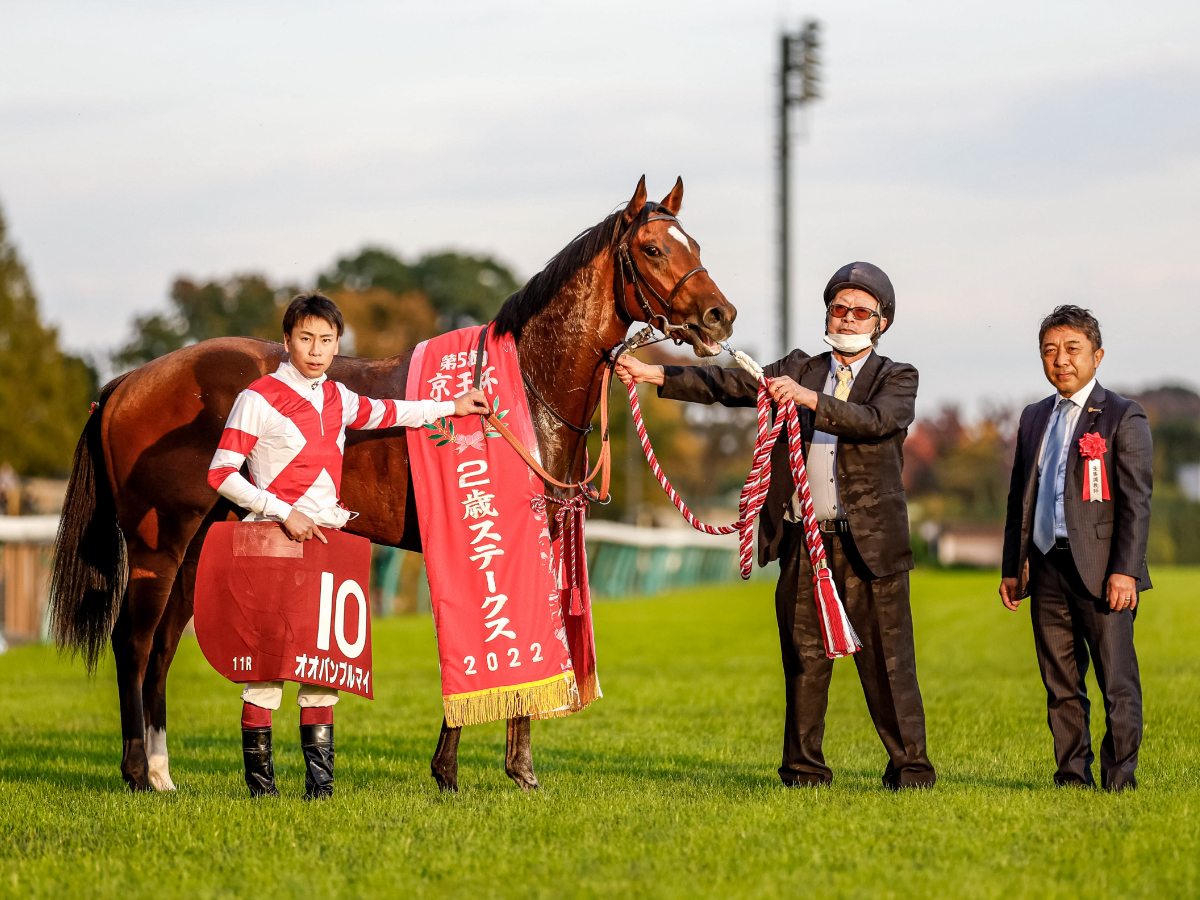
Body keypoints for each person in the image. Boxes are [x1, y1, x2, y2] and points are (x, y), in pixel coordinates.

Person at [617, 261, 935, 789]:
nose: (849, 318)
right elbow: (732, 383)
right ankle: (803, 770)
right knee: (804, 660)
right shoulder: (798, 366)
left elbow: (876, 423)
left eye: (862, 312)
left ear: (881, 322)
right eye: (840, 308)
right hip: (803, 545)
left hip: (870, 549)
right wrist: (660, 375)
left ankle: (910, 770)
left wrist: (810, 399)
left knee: (888, 665)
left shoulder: (897, 378)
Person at [207, 292, 489, 799]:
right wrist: (279, 510)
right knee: (268, 675)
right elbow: (221, 472)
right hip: (271, 542)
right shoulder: (257, 397)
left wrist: (453, 405)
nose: (316, 349)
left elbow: (392, 411)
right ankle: (261, 793)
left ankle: (321, 791)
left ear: (337, 345)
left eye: (326, 340)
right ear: (288, 340)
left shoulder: (338, 397)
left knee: (321, 672)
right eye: (306, 338)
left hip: (326, 547)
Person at [999, 305, 1151, 791]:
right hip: (1045, 568)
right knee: (1060, 683)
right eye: (1050, 350)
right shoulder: (1033, 416)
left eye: (1072, 349)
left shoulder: (1123, 416)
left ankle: (1119, 778)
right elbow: (1019, 494)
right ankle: (1071, 776)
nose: (1060, 360)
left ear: (1096, 355)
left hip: (1102, 570)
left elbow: (1136, 502)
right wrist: (1012, 564)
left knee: (1115, 682)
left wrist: (1125, 571)